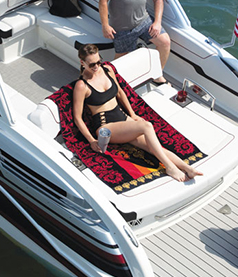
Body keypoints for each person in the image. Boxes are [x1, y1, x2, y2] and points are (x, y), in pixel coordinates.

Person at [73, 44, 202, 182]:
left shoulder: (107, 70)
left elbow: (121, 93)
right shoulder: (82, 85)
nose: (97, 66)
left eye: (99, 61)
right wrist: (91, 140)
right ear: (82, 63)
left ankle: (187, 168)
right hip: (105, 127)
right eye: (92, 64)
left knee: (154, 147)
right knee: (146, 126)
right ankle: (170, 167)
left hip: (122, 118)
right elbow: (77, 117)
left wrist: (132, 114)